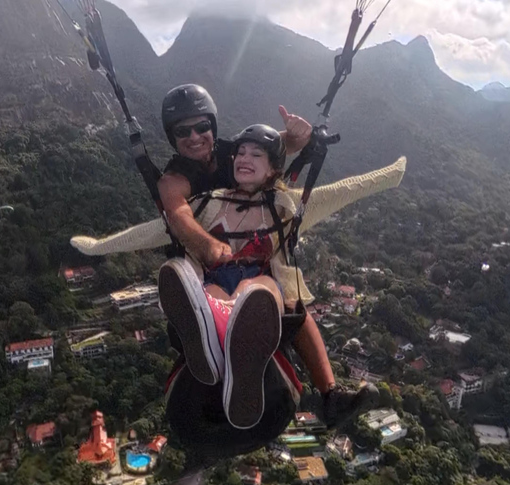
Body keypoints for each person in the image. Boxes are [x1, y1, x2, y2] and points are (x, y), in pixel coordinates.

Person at [156, 84, 368, 428]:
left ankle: (329, 394)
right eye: (183, 131)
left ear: (213, 127)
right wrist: (206, 245)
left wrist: (299, 134)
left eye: (201, 128)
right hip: (212, 266)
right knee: (211, 296)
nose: (194, 137)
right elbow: (178, 213)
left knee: (290, 303)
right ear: (172, 137)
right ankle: (209, 340)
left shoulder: (235, 153)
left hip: (259, 266)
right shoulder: (174, 178)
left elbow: (273, 147)